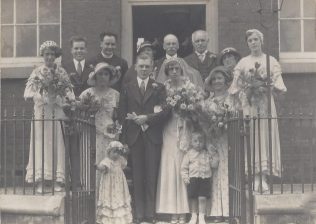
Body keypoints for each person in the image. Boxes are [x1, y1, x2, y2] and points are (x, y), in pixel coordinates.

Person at [228, 29, 287, 192]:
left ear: (261, 41)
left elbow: (278, 83)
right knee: (252, 137)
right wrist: (247, 88)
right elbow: (235, 86)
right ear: (247, 44)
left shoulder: (271, 60)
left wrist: (267, 85)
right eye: (250, 41)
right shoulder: (243, 62)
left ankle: (264, 177)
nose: (253, 43)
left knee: (265, 137)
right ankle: (254, 177)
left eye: (256, 39)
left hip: (266, 104)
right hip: (250, 104)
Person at [118, 53, 169, 224]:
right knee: (138, 176)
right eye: (141, 66)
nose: (144, 69)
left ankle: (150, 213)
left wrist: (147, 118)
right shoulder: (127, 87)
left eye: (147, 66)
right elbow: (122, 113)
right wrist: (123, 139)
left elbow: (165, 112)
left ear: (152, 67)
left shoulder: (159, 87)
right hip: (134, 136)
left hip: (152, 135)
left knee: (151, 175)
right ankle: (139, 214)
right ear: (135, 67)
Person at [155, 57, 202, 224]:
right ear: (167, 72)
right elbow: (159, 108)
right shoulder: (163, 88)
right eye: (171, 69)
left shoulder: (189, 87)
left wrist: (188, 110)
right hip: (168, 128)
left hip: (185, 128)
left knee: (184, 166)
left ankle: (184, 211)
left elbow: (197, 107)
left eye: (177, 68)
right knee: (170, 166)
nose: (174, 71)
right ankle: (171, 211)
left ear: (182, 70)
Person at [24, 40, 74, 193]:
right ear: (43, 56)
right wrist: (40, 97)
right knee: (41, 144)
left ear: (56, 56)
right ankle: (40, 181)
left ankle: (57, 180)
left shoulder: (61, 72)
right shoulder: (37, 72)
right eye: (47, 54)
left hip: (57, 111)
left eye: (52, 54)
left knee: (57, 144)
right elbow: (27, 93)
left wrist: (67, 99)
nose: (50, 57)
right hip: (42, 112)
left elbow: (70, 92)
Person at [201, 66, 237, 222]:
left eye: (220, 78)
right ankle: (216, 211)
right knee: (214, 174)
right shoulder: (207, 103)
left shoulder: (233, 100)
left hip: (228, 141)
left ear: (226, 81)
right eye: (214, 79)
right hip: (213, 141)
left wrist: (225, 123)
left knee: (228, 173)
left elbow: (237, 120)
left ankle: (230, 211)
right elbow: (202, 123)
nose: (217, 81)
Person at [79, 62, 121, 193]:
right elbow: (79, 114)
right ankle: (91, 196)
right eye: (100, 74)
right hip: (91, 133)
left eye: (106, 74)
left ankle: (107, 197)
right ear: (95, 76)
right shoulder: (87, 93)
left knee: (108, 163)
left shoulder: (115, 94)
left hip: (109, 135)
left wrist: (117, 133)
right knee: (91, 163)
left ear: (110, 76)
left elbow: (118, 117)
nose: (103, 77)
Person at [181, 132, 219, 224]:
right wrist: (185, 177)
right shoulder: (189, 154)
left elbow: (214, 165)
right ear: (191, 142)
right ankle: (194, 216)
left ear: (204, 142)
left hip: (204, 179)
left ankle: (202, 216)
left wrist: (214, 155)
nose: (198, 143)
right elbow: (184, 167)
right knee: (193, 198)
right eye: (195, 141)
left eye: (201, 141)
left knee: (202, 198)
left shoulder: (206, 153)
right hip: (193, 179)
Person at [96, 141, 132, 224]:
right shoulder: (107, 160)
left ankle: (120, 219)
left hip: (119, 185)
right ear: (109, 152)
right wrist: (98, 167)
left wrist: (125, 152)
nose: (116, 155)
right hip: (109, 185)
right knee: (109, 198)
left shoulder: (120, 160)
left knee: (119, 198)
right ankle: (109, 219)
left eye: (118, 152)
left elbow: (125, 165)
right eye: (114, 152)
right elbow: (103, 167)